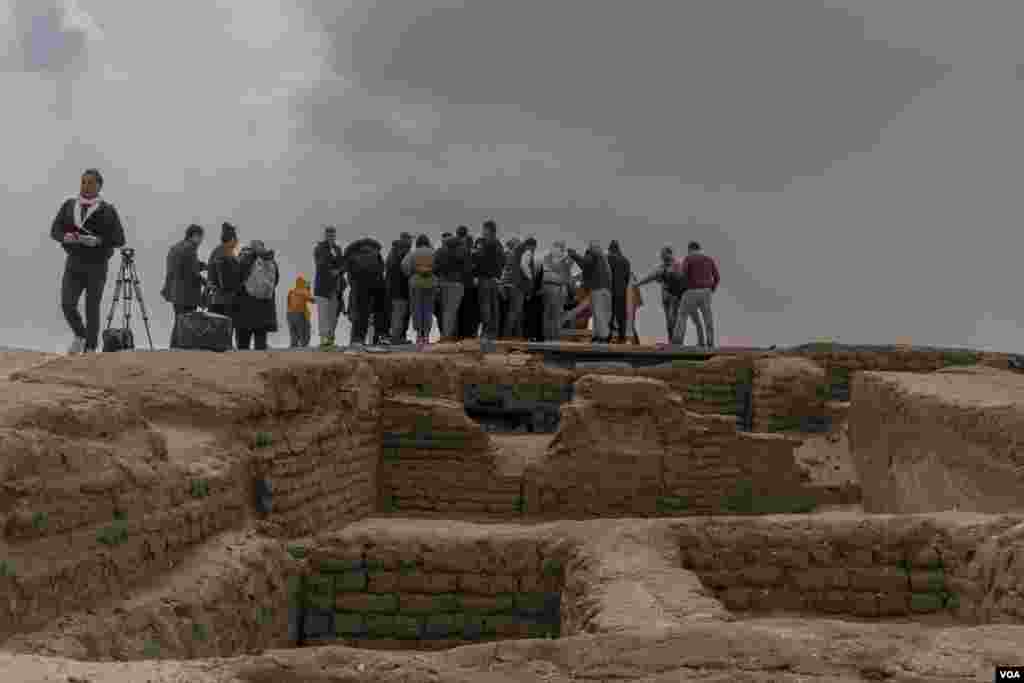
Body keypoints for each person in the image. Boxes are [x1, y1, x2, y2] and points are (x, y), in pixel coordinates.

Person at [50, 168, 126, 354]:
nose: (86, 186)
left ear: (99, 186)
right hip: (74, 261)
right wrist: (66, 237)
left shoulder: (107, 210)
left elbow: (119, 239)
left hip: (97, 264)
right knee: (67, 303)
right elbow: (55, 230)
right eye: (83, 182)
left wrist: (99, 241)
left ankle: (91, 347)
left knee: (92, 307)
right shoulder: (69, 205)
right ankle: (80, 335)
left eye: (90, 182)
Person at [161, 224, 207, 349]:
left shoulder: (176, 247)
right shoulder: (190, 248)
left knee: (179, 320)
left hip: (174, 291)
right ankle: (180, 349)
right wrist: (206, 282)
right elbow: (192, 272)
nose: (201, 240)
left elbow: (183, 266)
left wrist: (202, 265)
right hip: (186, 292)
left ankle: (174, 347)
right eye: (200, 237)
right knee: (186, 322)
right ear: (194, 236)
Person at [636, 245, 686, 342]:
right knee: (669, 321)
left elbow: (652, 276)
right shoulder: (661, 266)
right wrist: (637, 284)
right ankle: (671, 340)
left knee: (673, 319)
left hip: (675, 297)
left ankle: (677, 341)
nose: (663, 258)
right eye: (662, 256)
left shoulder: (678, 265)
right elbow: (650, 276)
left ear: (670, 254)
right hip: (666, 297)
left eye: (664, 256)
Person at [235, 240, 280, 350]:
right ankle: (261, 365)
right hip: (264, 309)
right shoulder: (271, 261)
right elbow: (276, 281)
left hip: (245, 308)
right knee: (260, 342)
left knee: (243, 343)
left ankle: (243, 365)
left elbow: (236, 278)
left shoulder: (244, 259)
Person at [675, 241, 720, 347]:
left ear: (690, 249)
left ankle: (678, 341)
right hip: (706, 291)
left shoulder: (689, 258)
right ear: (699, 249)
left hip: (691, 291)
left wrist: (683, 288)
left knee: (682, 316)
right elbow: (717, 277)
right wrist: (711, 289)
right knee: (708, 318)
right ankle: (710, 342)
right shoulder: (709, 259)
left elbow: (682, 275)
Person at [568, 240, 613, 343]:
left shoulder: (593, 254)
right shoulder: (603, 259)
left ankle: (602, 337)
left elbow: (585, 264)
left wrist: (574, 255)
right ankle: (599, 335)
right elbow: (587, 267)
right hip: (606, 289)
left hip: (597, 288)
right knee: (602, 314)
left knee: (598, 313)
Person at [345, 238, 385, 346]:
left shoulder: (352, 256)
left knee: (359, 316)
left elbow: (350, 277)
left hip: (359, 290)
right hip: (376, 289)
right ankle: (378, 339)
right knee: (377, 316)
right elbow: (381, 271)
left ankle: (357, 340)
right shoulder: (376, 256)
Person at [313, 226, 346, 349]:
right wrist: (334, 268)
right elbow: (321, 263)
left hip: (335, 288)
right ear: (325, 235)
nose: (331, 236)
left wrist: (338, 271)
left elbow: (343, 265)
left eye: (332, 234)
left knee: (333, 315)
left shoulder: (338, 249)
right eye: (329, 234)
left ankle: (330, 340)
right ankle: (324, 340)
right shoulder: (319, 248)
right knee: (323, 315)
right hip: (323, 287)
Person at [433, 230, 469, 342]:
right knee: (451, 312)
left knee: (445, 311)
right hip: (457, 285)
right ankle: (448, 336)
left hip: (443, 283)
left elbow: (435, 268)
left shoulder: (439, 252)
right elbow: (467, 269)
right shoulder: (462, 252)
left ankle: (447, 335)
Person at [402, 234, 436, 350]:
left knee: (416, 308)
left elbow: (404, 266)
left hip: (416, 283)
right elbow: (439, 266)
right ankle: (426, 335)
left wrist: (412, 274)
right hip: (431, 283)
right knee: (428, 308)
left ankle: (419, 336)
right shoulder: (433, 253)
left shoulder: (413, 253)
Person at [473, 220, 505, 341]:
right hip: (494, 279)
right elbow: (503, 260)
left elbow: (477, 258)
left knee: (486, 306)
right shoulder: (498, 244)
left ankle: (486, 333)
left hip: (485, 278)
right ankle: (493, 333)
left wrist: (476, 273)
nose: (483, 231)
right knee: (493, 307)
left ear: (488, 230)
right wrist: (498, 274)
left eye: (484, 229)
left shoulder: (483, 242)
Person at [207, 223, 242, 335]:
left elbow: (211, 274)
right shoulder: (226, 252)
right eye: (236, 239)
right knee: (225, 325)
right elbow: (227, 277)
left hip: (216, 296)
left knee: (217, 326)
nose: (237, 242)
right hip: (225, 296)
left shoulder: (216, 251)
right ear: (232, 239)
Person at [538, 240, 573, 342]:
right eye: (558, 247)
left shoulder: (564, 260)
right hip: (551, 289)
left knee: (556, 315)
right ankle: (548, 337)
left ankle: (554, 337)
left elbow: (566, 277)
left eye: (561, 247)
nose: (559, 249)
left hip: (558, 290)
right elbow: (547, 275)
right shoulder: (547, 258)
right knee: (549, 314)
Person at [503, 236, 536, 339]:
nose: (534, 250)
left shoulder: (516, 251)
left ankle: (517, 335)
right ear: (532, 246)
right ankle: (507, 336)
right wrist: (530, 277)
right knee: (515, 312)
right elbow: (524, 265)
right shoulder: (527, 251)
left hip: (513, 285)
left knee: (516, 312)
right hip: (519, 286)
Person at [386, 232, 413, 344]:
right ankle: (396, 338)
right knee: (399, 314)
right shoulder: (402, 253)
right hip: (400, 289)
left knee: (399, 314)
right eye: (409, 240)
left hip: (394, 289)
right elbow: (404, 272)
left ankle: (399, 337)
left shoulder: (393, 252)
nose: (411, 242)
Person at [606, 240, 632, 344]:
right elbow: (627, 278)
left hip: (610, 290)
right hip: (621, 291)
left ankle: (607, 338)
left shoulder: (608, 259)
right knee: (621, 316)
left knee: (609, 316)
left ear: (611, 249)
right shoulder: (626, 261)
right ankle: (622, 338)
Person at [496, 236, 520, 339]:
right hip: (512, 286)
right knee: (513, 312)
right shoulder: (515, 256)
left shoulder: (504, 254)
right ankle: (508, 335)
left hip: (503, 285)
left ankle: (504, 335)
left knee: (504, 312)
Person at [286, 274, 314, 348]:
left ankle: (293, 345)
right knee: (303, 331)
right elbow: (312, 300)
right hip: (299, 314)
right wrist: (308, 289)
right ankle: (304, 346)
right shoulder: (303, 291)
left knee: (293, 332)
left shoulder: (291, 292)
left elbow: (288, 303)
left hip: (289, 314)